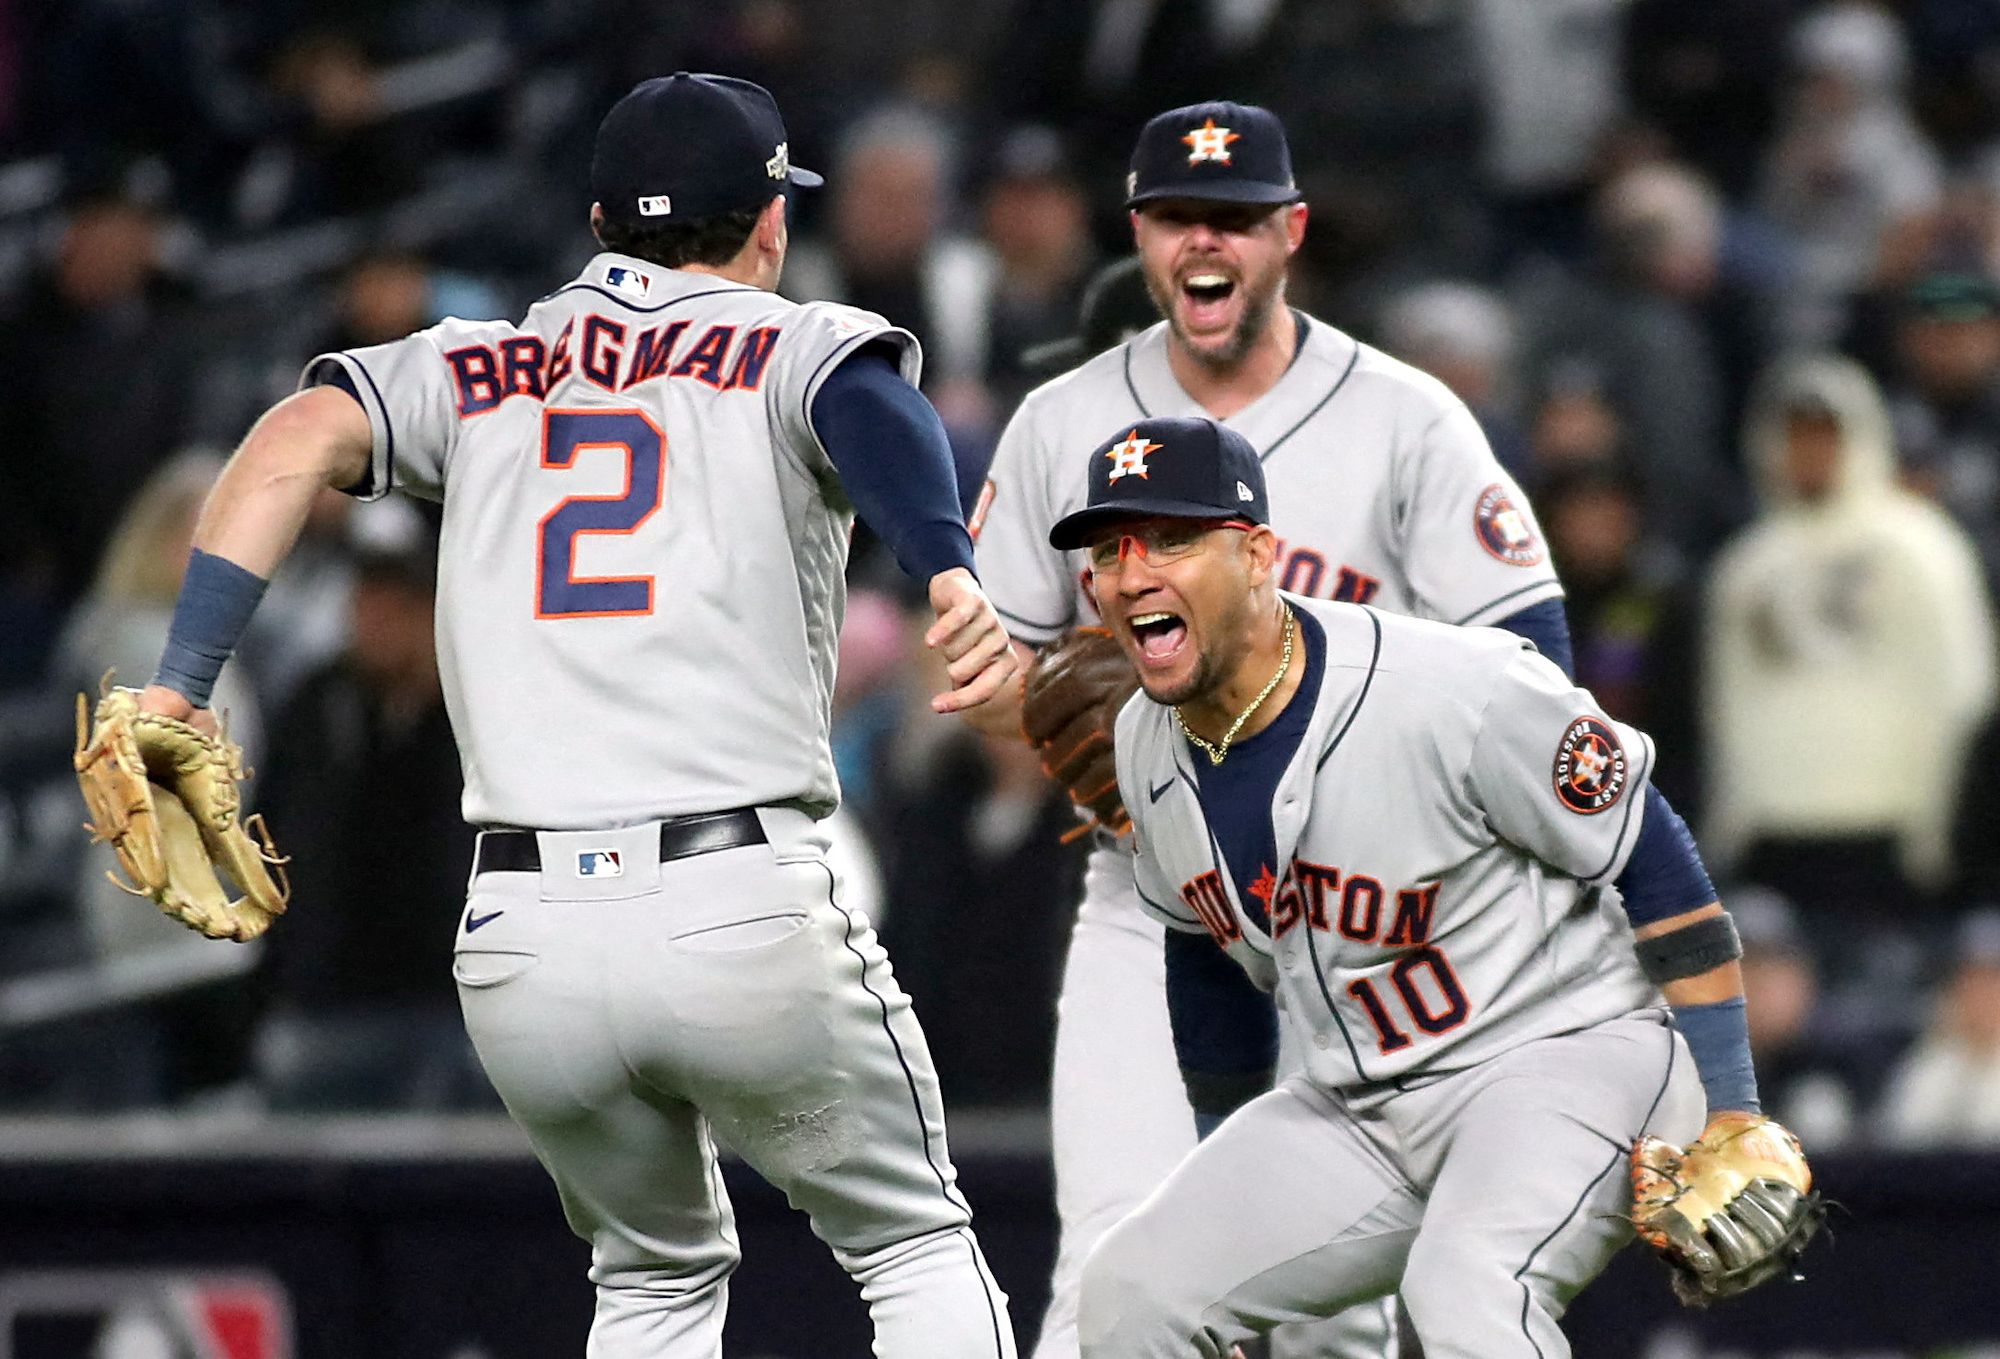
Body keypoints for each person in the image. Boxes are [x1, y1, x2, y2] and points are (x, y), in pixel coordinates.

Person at [122, 72, 1020, 1358]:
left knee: (649, 1279)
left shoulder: (478, 365)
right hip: (737, 901)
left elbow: (291, 438)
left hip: (522, 940)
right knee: (910, 1240)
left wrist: (180, 683)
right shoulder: (793, 339)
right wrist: (944, 566)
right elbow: (873, 409)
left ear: (600, 220)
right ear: (768, 221)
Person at [966, 99, 1570, 1359]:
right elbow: (998, 674)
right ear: (1138, 232)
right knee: (1106, 1274)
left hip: (1359, 921)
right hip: (1152, 904)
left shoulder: (1404, 419)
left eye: (1235, 218)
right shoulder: (1061, 422)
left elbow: (1534, 666)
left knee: (1332, 1318)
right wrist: (1051, 724)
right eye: (1182, 215)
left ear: (1288, 231)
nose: (1208, 241)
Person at [1052, 415, 1797, 1356]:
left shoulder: (1450, 688)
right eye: (1110, 552)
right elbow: (1203, 964)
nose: (1134, 573)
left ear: (1257, 555)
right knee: (1133, 1292)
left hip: (1564, 1057)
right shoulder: (1142, 744)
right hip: (1360, 1102)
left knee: (1464, 1293)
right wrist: (1228, 1200)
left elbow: (1650, 850)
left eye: (1172, 539)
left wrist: (1734, 1104)